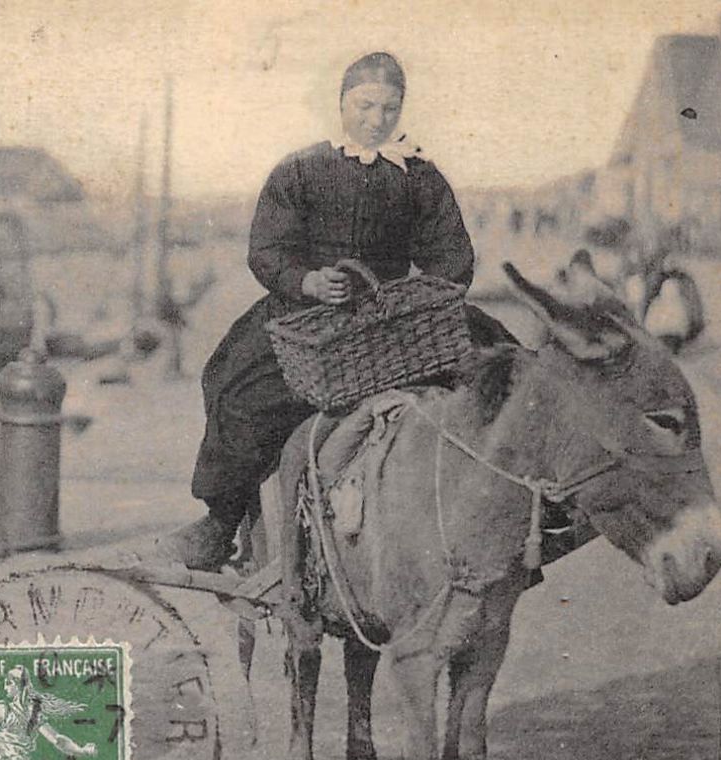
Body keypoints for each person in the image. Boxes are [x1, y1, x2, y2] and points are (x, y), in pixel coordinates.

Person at [159, 52, 512, 570]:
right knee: (235, 390)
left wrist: (411, 297)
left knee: (502, 370)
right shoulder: (301, 170)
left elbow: (452, 258)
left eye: (390, 109)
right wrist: (307, 281)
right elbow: (267, 250)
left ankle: (523, 508)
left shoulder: (420, 176)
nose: (376, 120)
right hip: (308, 316)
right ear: (341, 102)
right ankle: (221, 522)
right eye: (365, 106)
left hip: (393, 326)